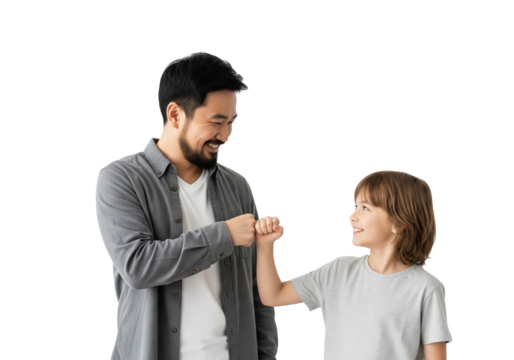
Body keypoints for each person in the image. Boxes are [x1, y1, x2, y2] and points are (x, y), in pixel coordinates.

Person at [94, 51, 279, 360]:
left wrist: (268, 354)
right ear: (176, 114)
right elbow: (138, 266)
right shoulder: (120, 179)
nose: (226, 135)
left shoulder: (238, 186)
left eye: (232, 122)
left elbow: (258, 289)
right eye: (216, 122)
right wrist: (224, 236)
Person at [255, 170, 454, 359]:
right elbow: (274, 294)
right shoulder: (337, 271)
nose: (352, 216)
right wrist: (266, 245)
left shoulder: (426, 289)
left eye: (365, 208)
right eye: (354, 207)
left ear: (399, 223)